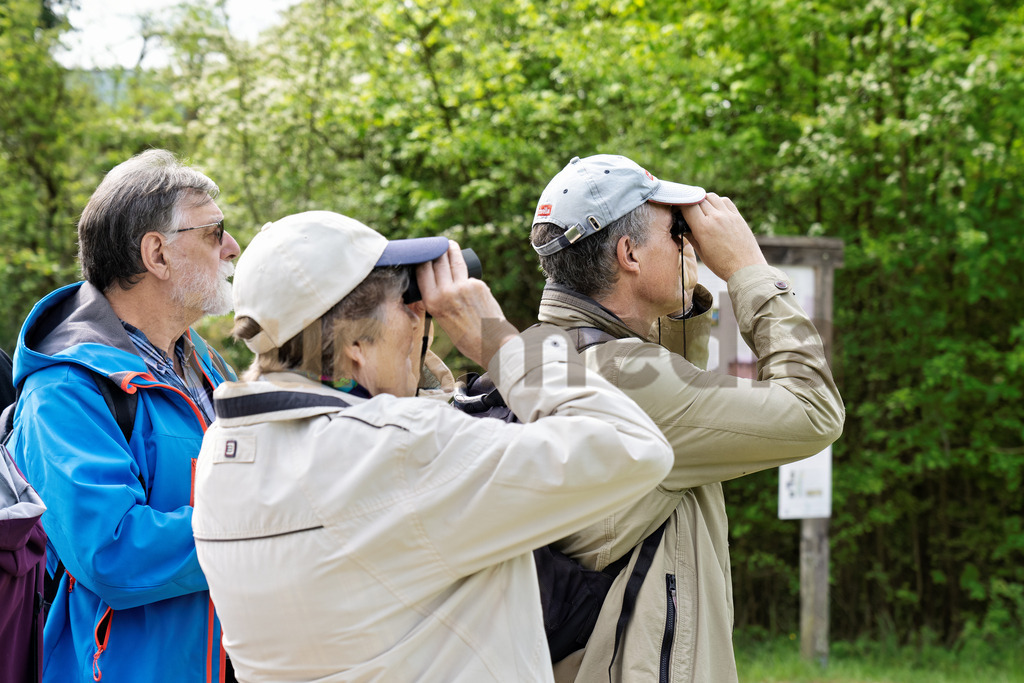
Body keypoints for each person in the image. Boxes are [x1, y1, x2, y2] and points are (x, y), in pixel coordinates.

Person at [190, 210, 675, 682]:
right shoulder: (399, 450)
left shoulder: (223, 454)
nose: (424, 319)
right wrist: (500, 342)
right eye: (408, 303)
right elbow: (632, 445)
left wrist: (422, 400)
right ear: (355, 343)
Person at [526, 155, 846, 682]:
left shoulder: (539, 355)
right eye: (676, 231)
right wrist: (749, 269)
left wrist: (681, 304)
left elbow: (675, 397)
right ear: (628, 252)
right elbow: (814, 411)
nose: (690, 243)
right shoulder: (629, 378)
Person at [8, 149, 241, 683]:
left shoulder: (198, 360)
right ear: (157, 254)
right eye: (214, 232)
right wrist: (261, 527)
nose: (230, 247)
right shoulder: (65, 390)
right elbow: (111, 550)